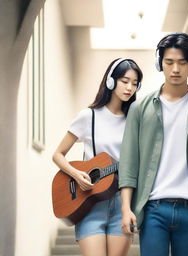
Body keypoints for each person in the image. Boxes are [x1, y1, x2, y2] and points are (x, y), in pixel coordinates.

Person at [119, 33, 188, 256]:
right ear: (160, 64)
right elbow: (129, 163)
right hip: (153, 210)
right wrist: (126, 207)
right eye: (169, 62)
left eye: (182, 62)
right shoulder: (140, 109)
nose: (175, 69)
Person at [52, 58, 143, 256]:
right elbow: (58, 155)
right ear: (111, 81)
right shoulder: (89, 116)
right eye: (125, 81)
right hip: (90, 202)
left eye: (134, 83)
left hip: (123, 203)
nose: (129, 87)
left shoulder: (135, 120)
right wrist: (77, 175)